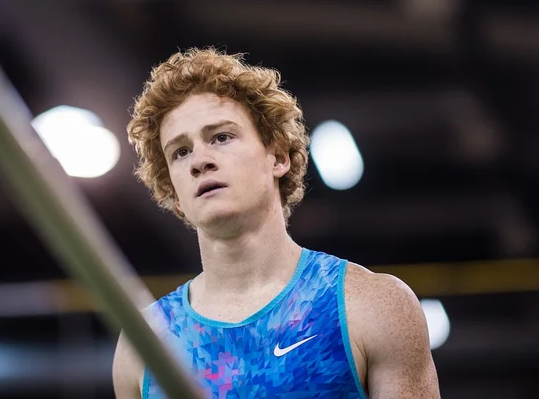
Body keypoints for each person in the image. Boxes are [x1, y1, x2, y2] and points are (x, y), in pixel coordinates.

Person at [113, 47, 440, 399]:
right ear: (175, 194)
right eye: (180, 152)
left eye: (221, 137)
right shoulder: (144, 343)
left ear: (278, 157)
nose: (199, 161)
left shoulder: (372, 305)